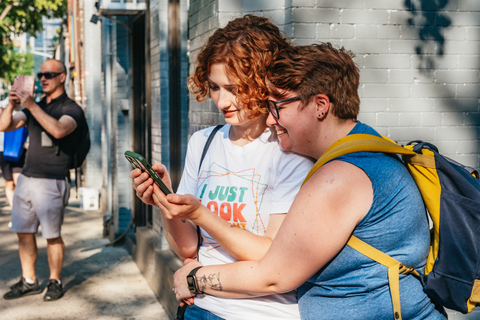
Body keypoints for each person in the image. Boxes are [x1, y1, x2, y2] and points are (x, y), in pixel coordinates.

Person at [168, 43, 448, 319]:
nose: (269, 120)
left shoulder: (340, 177)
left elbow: (274, 276)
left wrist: (193, 279)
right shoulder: (367, 146)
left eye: (277, 106)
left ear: (320, 106)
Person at [131, 15, 313, 320]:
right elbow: (189, 250)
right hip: (202, 305)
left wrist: (200, 213)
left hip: (265, 313)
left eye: (234, 88)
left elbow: (272, 256)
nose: (222, 101)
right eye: (214, 87)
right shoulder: (203, 142)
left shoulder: (287, 149)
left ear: (262, 82)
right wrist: (166, 202)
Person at [1, 59, 85, 302]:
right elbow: (4, 126)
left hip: (52, 180)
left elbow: (59, 130)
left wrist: (30, 105)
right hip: (26, 178)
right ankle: (29, 281)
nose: (44, 78)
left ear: (62, 77)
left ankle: (54, 281)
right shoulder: (33, 107)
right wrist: (13, 104)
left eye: (50, 73)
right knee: (23, 232)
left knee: (51, 235)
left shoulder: (71, 109)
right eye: (41, 74)